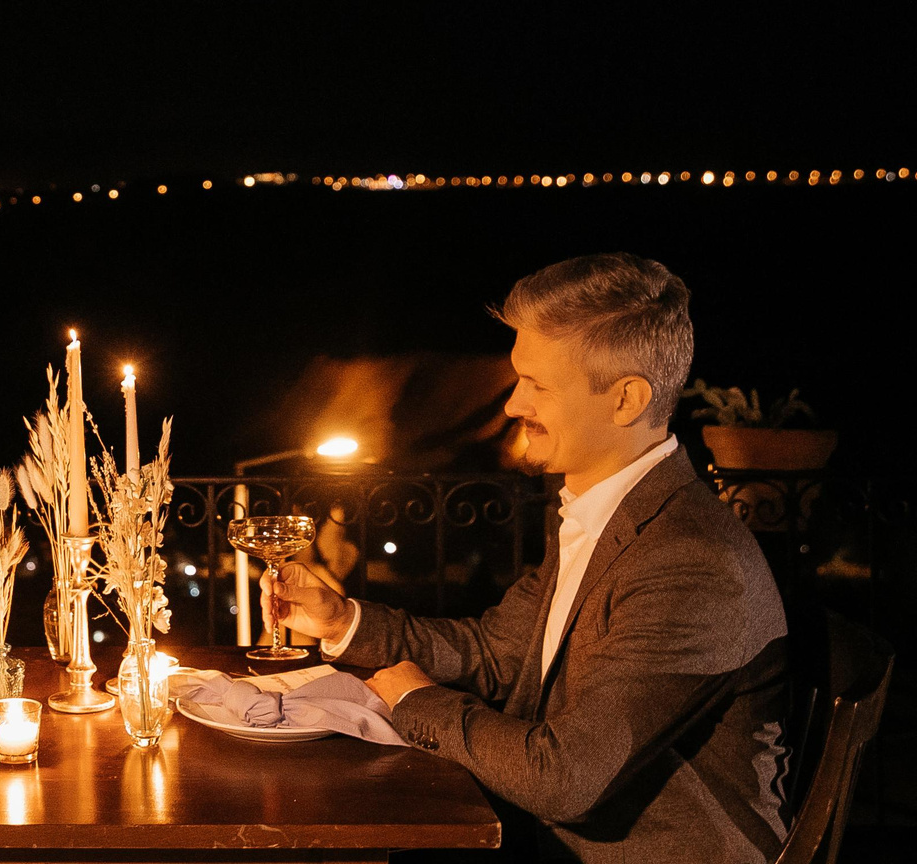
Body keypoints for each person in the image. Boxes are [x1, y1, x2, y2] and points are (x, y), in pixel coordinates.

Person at [265, 253, 789, 862]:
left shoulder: (691, 562)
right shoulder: (604, 516)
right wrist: (341, 621)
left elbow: (564, 778)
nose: (513, 405)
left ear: (626, 400)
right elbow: (494, 652)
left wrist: (416, 701)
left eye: (537, 385)